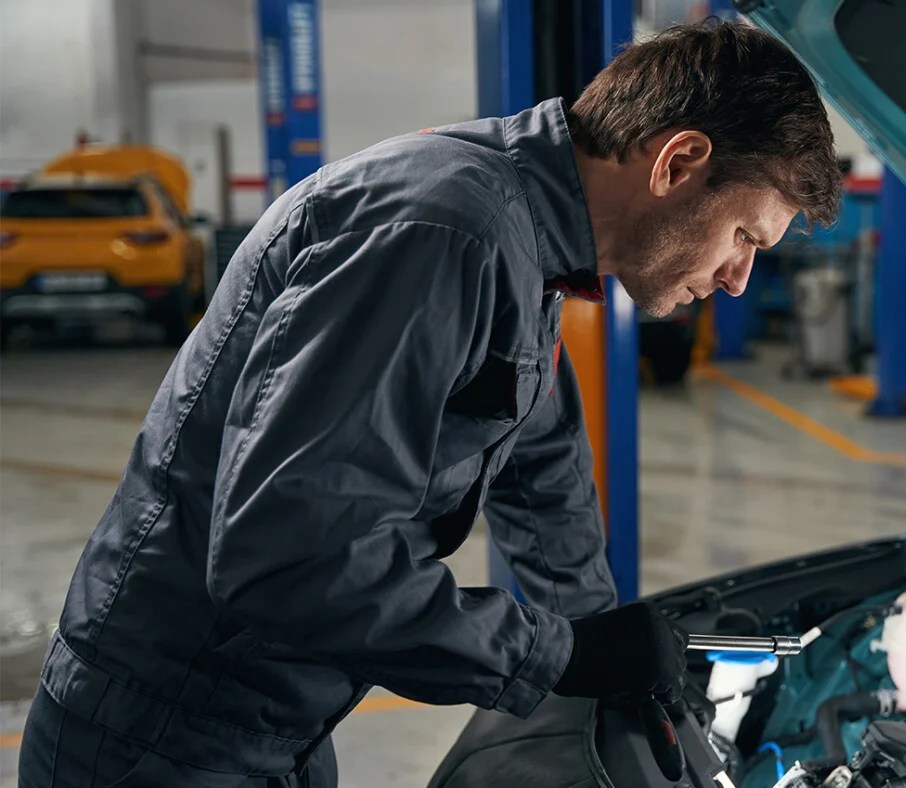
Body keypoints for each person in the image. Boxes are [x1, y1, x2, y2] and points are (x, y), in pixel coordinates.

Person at [18, 19, 840, 787]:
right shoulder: (444, 230)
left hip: (274, 712)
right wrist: (555, 656)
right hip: (164, 734)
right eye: (745, 237)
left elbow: (542, 469)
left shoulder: (530, 243)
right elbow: (289, 559)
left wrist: (610, 653)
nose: (738, 280)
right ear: (676, 162)